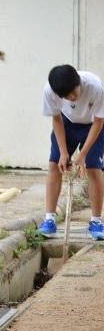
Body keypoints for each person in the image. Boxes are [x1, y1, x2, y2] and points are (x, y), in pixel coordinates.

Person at [39, 64, 104, 240]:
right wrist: (63, 152)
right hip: (66, 123)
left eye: (73, 92)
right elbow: (56, 119)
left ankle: (96, 221)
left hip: (93, 125)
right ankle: (49, 219)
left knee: (93, 168)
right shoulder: (50, 91)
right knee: (54, 165)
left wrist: (82, 154)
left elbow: (99, 121)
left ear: (78, 82)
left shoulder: (95, 87)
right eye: (66, 96)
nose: (71, 98)